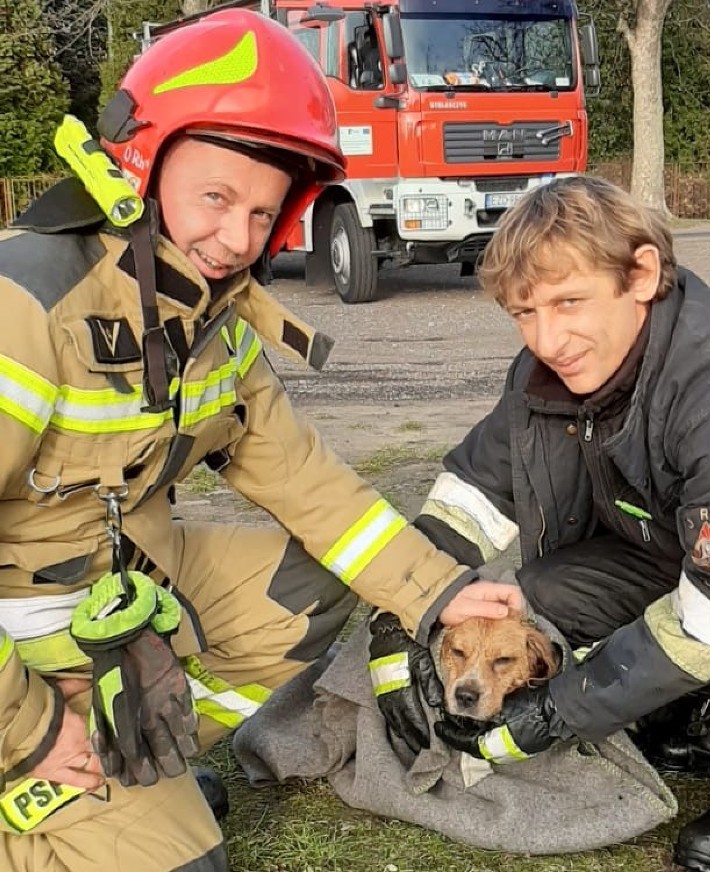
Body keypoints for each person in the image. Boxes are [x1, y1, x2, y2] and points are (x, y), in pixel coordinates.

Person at [0, 10, 520, 872]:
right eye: (215, 198)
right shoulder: (27, 304)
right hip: (19, 630)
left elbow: (310, 485)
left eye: (263, 212)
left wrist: (439, 595)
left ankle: (127, 759)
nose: (238, 239)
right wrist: (31, 729)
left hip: (114, 595)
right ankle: (47, 783)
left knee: (312, 581)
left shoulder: (212, 313)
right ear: (143, 162)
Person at [381, 175, 710, 872]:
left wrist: (556, 713)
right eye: (524, 313)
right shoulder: (552, 367)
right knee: (538, 591)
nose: (547, 338)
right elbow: (469, 495)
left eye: (569, 302)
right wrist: (402, 621)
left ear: (642, 273)